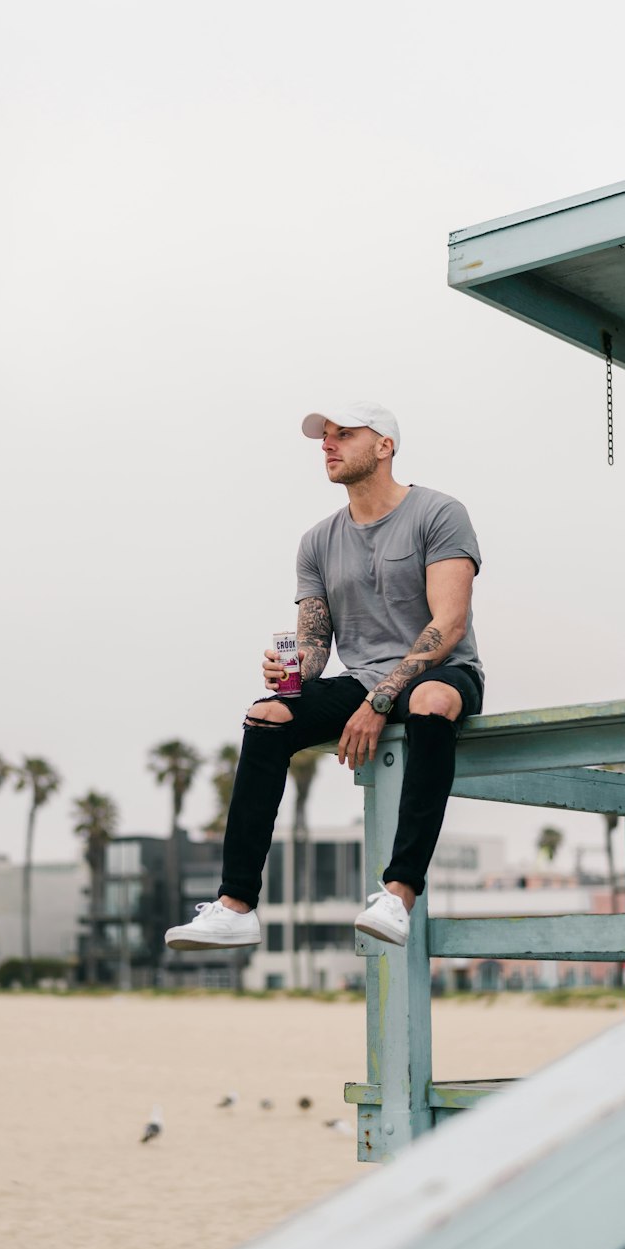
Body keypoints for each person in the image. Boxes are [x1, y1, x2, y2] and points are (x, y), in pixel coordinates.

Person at [165, 401, 483, 952]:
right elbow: (315, 648)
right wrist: (289, 673)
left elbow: (448, 624)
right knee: (267, 716)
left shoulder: (439, 512)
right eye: (325, 437)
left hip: (442, 671)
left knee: (429, 699)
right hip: (362, 679)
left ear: (385, 446)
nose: (328, 445)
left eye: (344, 435)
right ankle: (236, 905)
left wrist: (381, 701)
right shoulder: (317, 541)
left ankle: (398, 894)